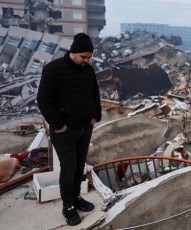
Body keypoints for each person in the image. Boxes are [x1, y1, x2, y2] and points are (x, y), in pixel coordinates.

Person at [37, 33, 102, 226]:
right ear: (73, 52)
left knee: (79, 167)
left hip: (85, 128)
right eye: (83, 57)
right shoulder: (53, 69)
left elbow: (94, 92)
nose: (86, 61)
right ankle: (68, 207)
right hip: (64, 131)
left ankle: (76, 198)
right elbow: (43, 99)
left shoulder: (88, 70)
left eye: (89, 57)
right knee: (68, 169)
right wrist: (58, 124)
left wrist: (95, 115)